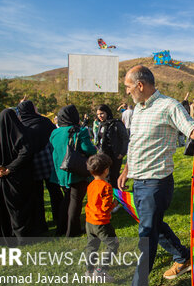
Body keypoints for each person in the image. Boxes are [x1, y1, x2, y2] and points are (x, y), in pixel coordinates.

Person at [111, 65, 194, 286]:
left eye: (128, 87)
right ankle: (182, 257)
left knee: (146, 232)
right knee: (152, 225)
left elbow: (193, 131)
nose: (127, 92)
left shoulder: (169, 106)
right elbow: (136, 142)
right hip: (138, 180)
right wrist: (128, 169)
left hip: (157, 182)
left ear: (140, 85)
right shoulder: (137, 110)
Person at [0, 109, 35, 246]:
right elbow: (25, 154)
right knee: (16, 208)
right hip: (14, 177)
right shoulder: (20, 135)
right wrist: (9, 168)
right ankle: (20, 236)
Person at [50, 105, 97, 237]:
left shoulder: (55, 132)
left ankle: (61, 228)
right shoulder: (79, 131)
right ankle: (72, 230)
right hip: (75, 170)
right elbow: (89, 149)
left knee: (67, 199)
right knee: (75, 203)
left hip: (60, 172)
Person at [17, 100, 62, 234]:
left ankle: (40, 222)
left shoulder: (20, 124)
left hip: (31, 162)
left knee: (37, 194)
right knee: (54, 190)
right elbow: (54, 135)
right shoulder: (43, 121)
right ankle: (59, 216)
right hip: (47, 158)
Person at [84, 153, 119, 282]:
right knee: (113, 244)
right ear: (106, 170)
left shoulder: (90, 185)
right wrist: (114, 203)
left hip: (89, 222)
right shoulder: (106, 187)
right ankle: (100, 270)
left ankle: (89, 270)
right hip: (102, 223)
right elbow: (105, 208)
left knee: (92, 245)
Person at [95, 104, 129, 188]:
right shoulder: (101, 125)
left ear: (107, 112)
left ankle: (116, 197)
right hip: (103, 155)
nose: (100, 116)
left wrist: (122, 153)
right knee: (105, 178)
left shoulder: (116, 123)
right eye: (98, 114)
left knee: (113, 177)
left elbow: (125, 138)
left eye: (102, 113)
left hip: (115, 155)